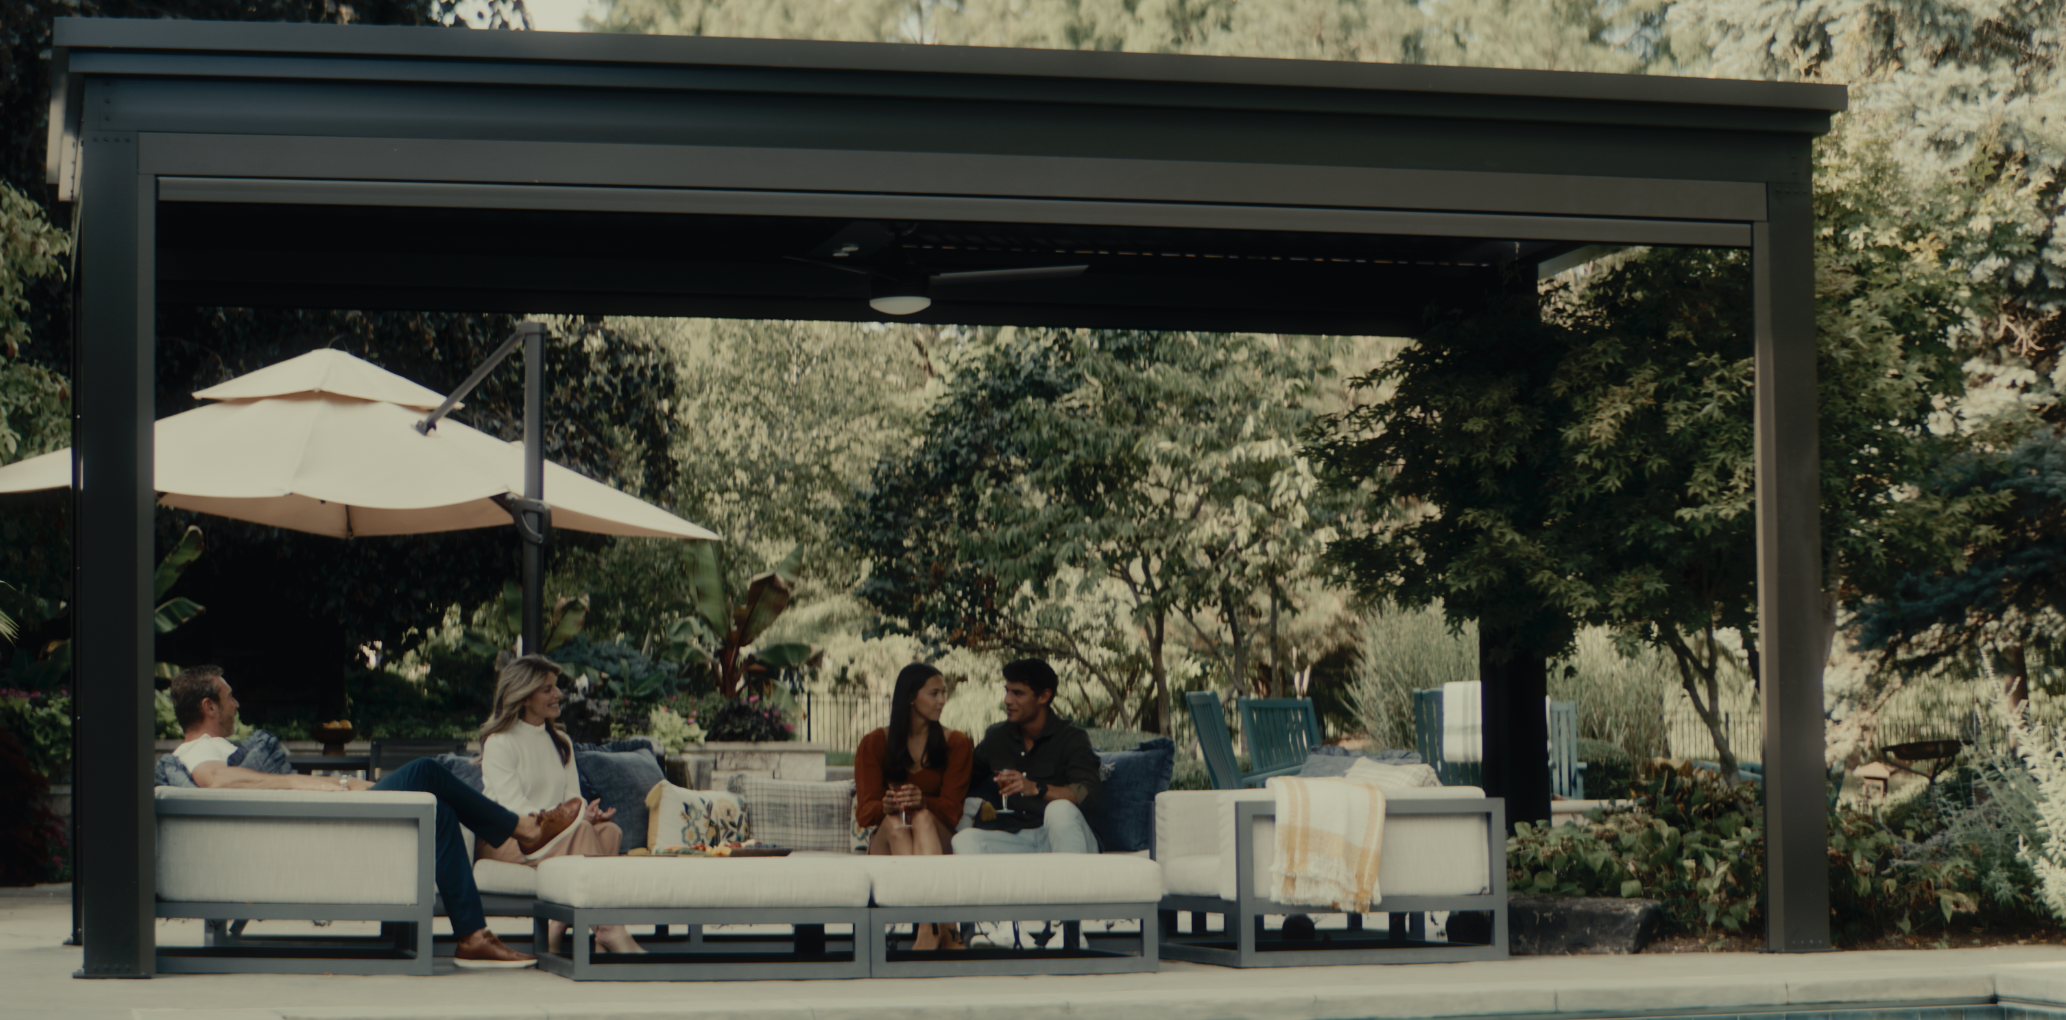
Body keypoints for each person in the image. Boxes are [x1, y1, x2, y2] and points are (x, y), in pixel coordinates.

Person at [168, 665, 569, 969]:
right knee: (428, 770)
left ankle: (472, 936)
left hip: (341, 812)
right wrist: (306, 786)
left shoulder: (220, 747)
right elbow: (217, 781)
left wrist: (341, 785)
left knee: (441, 809)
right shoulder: (199, 751)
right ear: (208, 706)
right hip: (336, 827)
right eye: (229, 697)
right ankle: (522, 828)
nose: (237, 704)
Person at [477, 653, 645, 955]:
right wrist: (574, 820)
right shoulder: (500, 742)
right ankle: (609, 929)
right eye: (548, 689)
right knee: (581, 831)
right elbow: (515, 808)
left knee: (609, 832)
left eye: (556, 687)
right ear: (524, 697)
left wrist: (587, 813)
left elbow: (572, 798)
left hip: (552, 834)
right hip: (507, 838)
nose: (558, 695)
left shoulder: (561, 742)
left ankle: (558, 926)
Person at [853, 662, 973, 950]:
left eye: (944, 693)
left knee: (922, 819)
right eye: (934, 693)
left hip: (936, 839)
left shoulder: (956, 744)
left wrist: (924, 802)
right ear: (910, 697)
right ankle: (940, 927)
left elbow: (953, 811)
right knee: (896, 824)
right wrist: (886, 805)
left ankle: (926, 929)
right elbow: (865, 814)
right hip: (888, 841)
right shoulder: (874, 743)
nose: (942, 700)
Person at [952, 658, 1103, 856]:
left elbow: (1089, 794)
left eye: (1017, 693)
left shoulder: (1071, 737)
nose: (1007, 700)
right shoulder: (997, 737)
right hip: (1019, 839)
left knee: (1058, 810)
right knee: (964, 840)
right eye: (1007, 691)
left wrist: (1035, 788)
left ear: (1044, 696)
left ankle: (1070, 886)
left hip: (1063, 838)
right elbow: (962, 778)